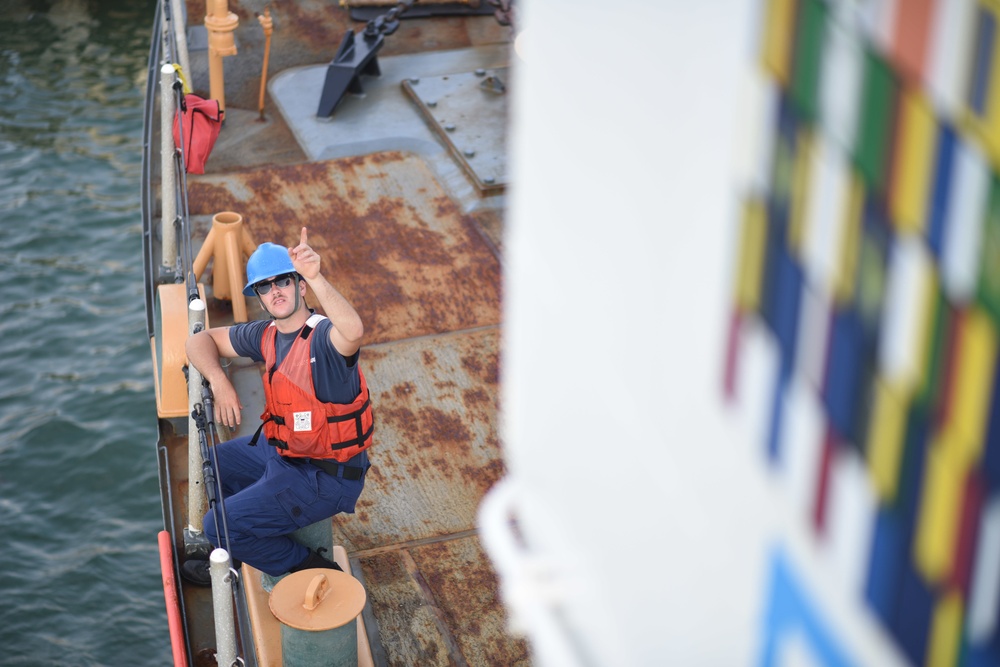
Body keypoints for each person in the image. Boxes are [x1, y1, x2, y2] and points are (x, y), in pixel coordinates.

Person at [181, 227, 374, 586]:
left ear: (300, 286)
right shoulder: (267, 334)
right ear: (259, 296)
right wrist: (220, 382)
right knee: (212, 462)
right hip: (284, 451)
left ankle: (307, 566)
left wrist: (317, 276)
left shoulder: (325, 341)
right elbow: (200, 341)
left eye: (283, 281)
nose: (275, 291)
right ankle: (246, 538)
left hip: (325, 476)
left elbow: (353, 331)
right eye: (264, 287)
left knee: (214, 525)